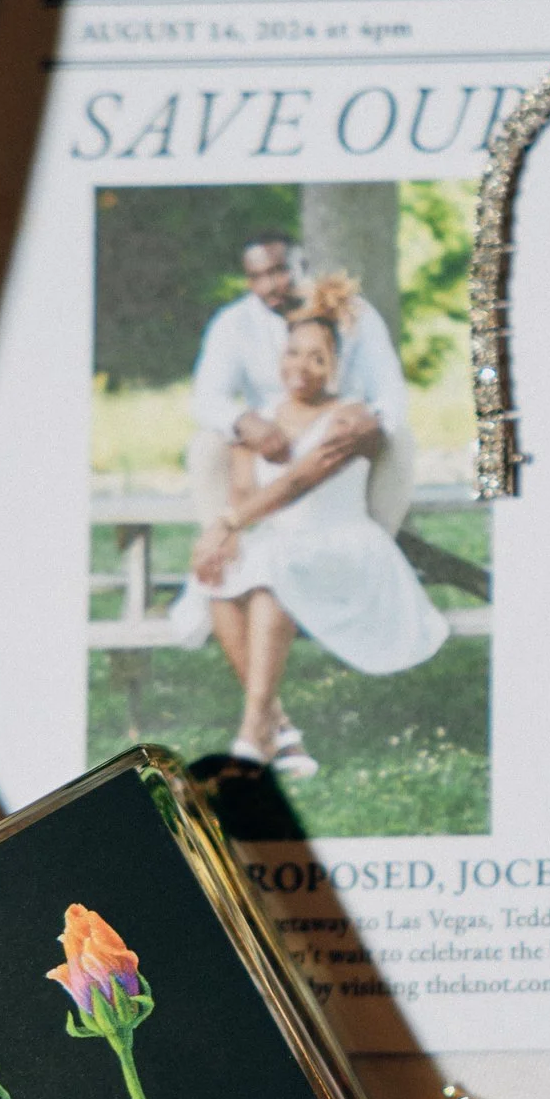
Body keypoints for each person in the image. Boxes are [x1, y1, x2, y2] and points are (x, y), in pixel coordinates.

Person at [170, 281, 449, 777]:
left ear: (336, 368)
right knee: (225, 574)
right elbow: (241, 492)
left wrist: (231, 523)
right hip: (281, 542)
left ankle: (252, 731)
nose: (301, 366)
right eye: (293, 353)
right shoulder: (256, 423)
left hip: (341, 543)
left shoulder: (350, 420)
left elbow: (300, 480)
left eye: (317, 358)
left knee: (272, 570)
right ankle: (282, 734)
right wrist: (223, 537)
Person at [188, 228, 412, 536]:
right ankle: (224, 550)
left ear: (303, 265)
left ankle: (377, 545)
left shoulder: (355, 313)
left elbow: (391, 392)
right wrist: (243, 421)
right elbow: (206, 398)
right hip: (272, 444)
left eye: (279, 271)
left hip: (340, 445)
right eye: (257, 277)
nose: (270, 285)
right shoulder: (233, 324)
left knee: (399, 437)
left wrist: (371, 423)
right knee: (206, 445)